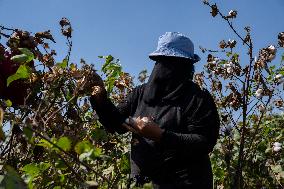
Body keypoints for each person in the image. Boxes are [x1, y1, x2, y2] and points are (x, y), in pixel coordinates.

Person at [90, 32, 220, 189]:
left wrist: (161, 135)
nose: (169, 69)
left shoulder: (198, 99)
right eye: (164, 62)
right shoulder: (139, 94)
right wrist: (101, 100)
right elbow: (115, 123)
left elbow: (204, 142)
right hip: (144, 182)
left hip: (187, 183)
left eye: (178, 64)